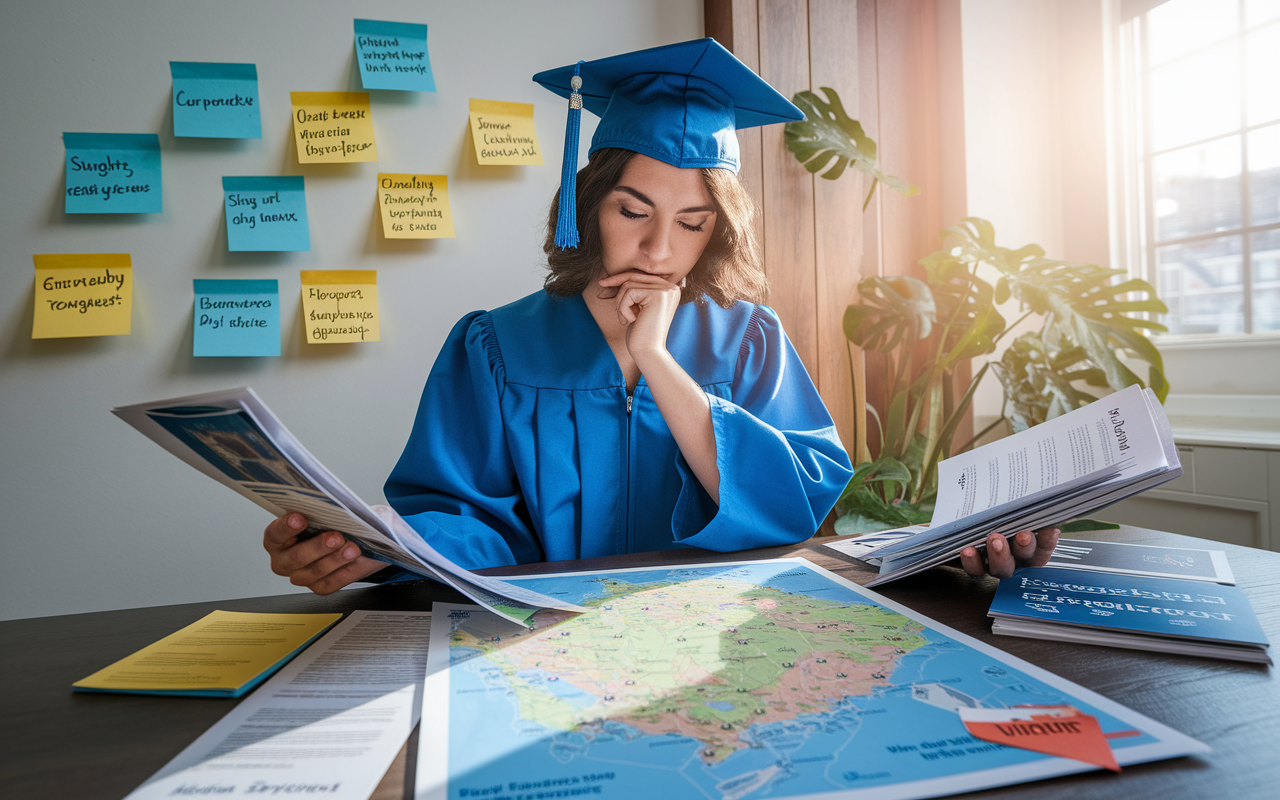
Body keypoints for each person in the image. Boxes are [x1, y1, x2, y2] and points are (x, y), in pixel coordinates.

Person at [262, 39, 1059, 594]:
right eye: (632, 209)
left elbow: (799, 503)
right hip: (540, 647)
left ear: (720, 230)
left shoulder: (749, 341)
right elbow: (463, 517)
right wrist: (377, 547)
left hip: (716, 647)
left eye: (692, 222)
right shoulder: (495, 346)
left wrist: (660, 362)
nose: (656, 246)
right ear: (589, 205)